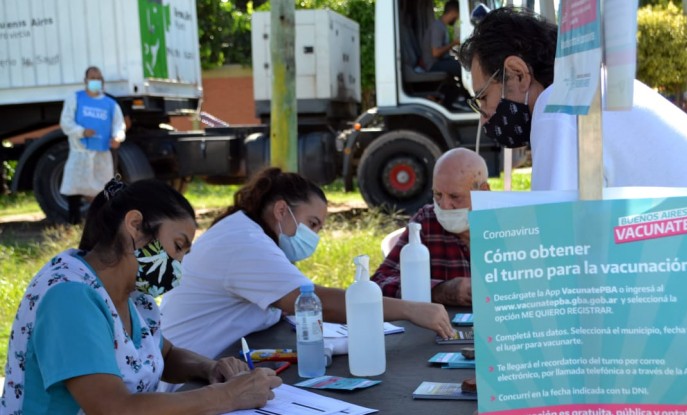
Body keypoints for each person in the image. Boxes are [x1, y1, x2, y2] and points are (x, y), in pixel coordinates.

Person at [458, 7, 687, 415]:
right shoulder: (606, 88)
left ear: (518, 73)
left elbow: (554, 256)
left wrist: (508, 369)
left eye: (483, 97)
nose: (485, 117)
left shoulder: (563, 101)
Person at [1, 178, 281, 414]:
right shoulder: (68, 296)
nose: (179, 264)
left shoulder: (135, 295)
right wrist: (228, 396)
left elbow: (164, 354)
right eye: (178, 246)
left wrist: (209, 368)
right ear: (134, 224)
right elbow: (113, 408)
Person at [159, 167, 455, 361]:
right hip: (186, 376)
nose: (313, 237)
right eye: (312, 224)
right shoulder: (244, 243)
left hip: (212, 362)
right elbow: (312, 301)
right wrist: (409, 309)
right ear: (280, 210)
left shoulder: (250, 234)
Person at [371, 148, 489, 306]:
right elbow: (380, 281)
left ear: (483, 192)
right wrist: (439, 290)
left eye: (455, 196)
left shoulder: (510, 224)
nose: (445, 205)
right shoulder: (426, 222)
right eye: (438, 195)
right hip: (445, 327)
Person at [59, 66, 126, 225]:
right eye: (92, 77)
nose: (95, 81)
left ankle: (103, 224)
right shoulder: (75, 98)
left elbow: (119, 125)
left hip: (102, 153)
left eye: (98, 78)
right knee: (75, 188)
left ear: (102, 81)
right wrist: (81, 131)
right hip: (80, 152)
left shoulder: (110, 104)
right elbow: (66, 122)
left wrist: (118, 137)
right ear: (85, 80)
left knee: (103, 190)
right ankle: (73, 222)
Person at [428, 0, 461, 79]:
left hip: (441, 61)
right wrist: (453, 43)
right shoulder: (437, 27)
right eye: (458, 15)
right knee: (462, 67)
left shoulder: (443, 26)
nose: (457, 18)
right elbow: (435, 53)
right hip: (433, 65)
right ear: (453, 12)